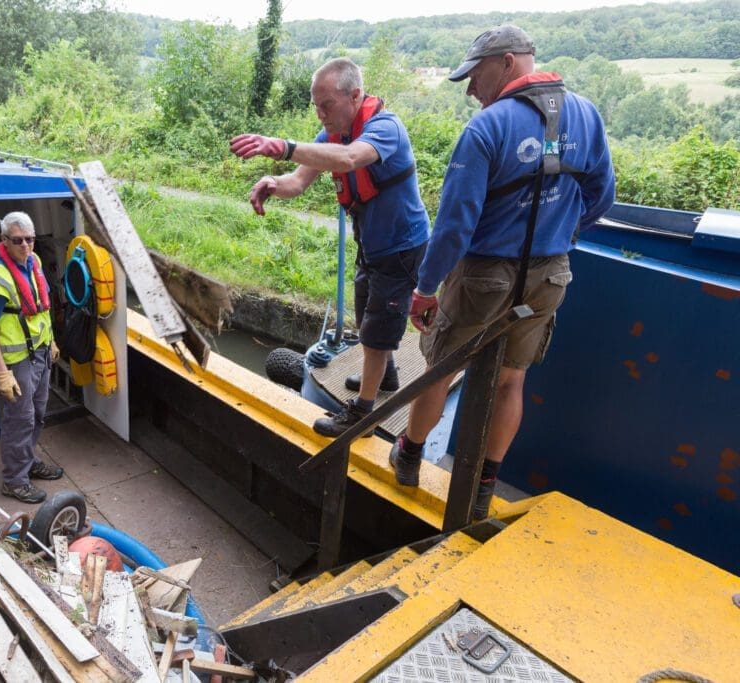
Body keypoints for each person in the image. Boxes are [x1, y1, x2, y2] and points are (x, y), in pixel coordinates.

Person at [391, 25, 616, 519]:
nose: (471, 88)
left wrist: (425, 290)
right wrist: (561, 234)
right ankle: (483, 485)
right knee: (511, 380)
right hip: (549, 276)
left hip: (483, 276)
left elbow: (453, 226)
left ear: (509, 62)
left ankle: (408, 454)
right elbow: (602, 196)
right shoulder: (586, 115)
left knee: (440, 370)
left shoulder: (488, 128)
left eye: (475, 75)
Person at [230, 57, 431, 437]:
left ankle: (363, 417)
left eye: (327, 105)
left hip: (403, 247)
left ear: (355, 96)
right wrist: (274, 183)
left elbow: (351, 158)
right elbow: (299, 181)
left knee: (377, 328)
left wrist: (285, 146)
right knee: (366, 312)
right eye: (316, 106)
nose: (321, 115)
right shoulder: (331, 136)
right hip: (371, 245)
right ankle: (385, 375)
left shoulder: (386, 127)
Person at [0, 211, 64, 503]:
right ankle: (14, 479)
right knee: (19, 419)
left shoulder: (33, 263)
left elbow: (41, 307)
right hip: (18, 360)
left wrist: (51, 341)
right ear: (4, 241)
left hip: (40, 352)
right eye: (18, 240)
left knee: (37, 414)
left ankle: (28, 460)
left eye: (30, 239)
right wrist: (2, 372)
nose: (25, 246)